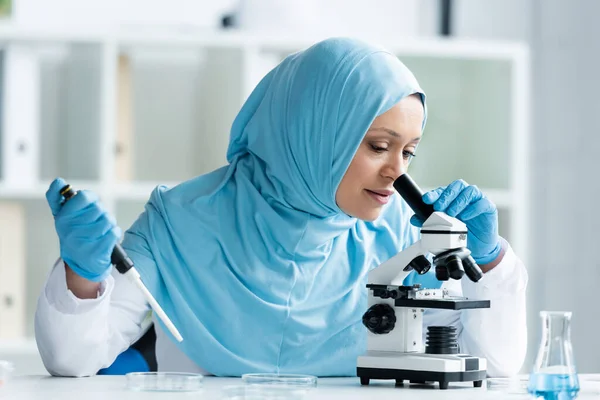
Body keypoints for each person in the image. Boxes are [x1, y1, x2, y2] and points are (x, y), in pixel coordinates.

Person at [35, 37, 527, 378]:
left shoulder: (402, 237)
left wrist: (489, 262)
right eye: (379, 146)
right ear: (312, 134)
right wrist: (83, 273)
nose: (397, 173)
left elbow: (499, 367)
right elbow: (72, 361)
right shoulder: (178, 222)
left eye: (409, 152)